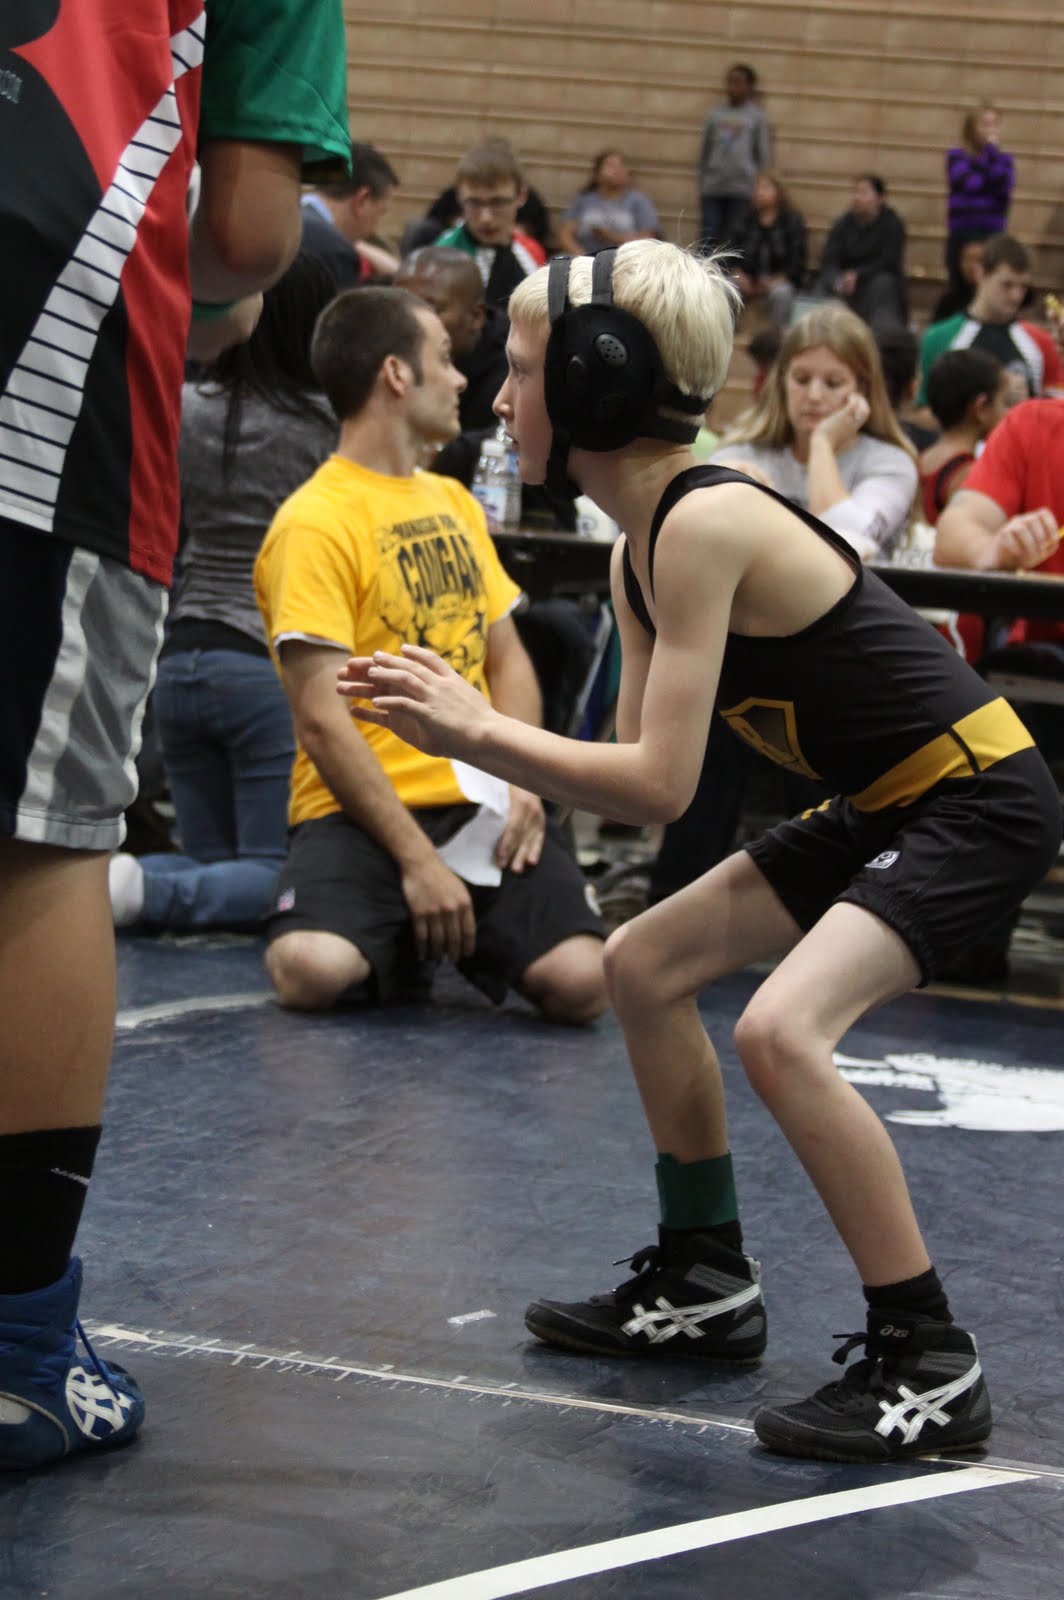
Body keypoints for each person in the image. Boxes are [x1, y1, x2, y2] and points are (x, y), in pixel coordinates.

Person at [340, 239, 1061, 1463]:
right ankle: (704, 1277)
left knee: (780, 1033)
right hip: (894, 797)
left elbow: (660, 783)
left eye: (523, 370)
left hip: (974, 796)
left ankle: (928, 1357)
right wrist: (487, 739)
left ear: (599, 378)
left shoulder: (704, 520)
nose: (501, 399)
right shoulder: (639, 548)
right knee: (640, 962)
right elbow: (641, 790)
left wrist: (477, 729)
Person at [0, 2, 350, 1470]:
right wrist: (220, 295)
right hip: (46, 357)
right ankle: (17, 1345)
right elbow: (251, 237)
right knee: (39, 848)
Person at [254, 287, 607, 1022]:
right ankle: (409, 930)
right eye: (443, 359)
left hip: (477, 801)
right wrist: (417, 861)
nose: (460, 379)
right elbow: (320, 721)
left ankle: (420, 934)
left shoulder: (453, 503)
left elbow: (507, 661)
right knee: (310, 969)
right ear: (395, 375)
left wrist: (522, 780)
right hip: (359, 814)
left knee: (584, 981)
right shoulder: (314, 522)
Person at [108, 253, 341, 933]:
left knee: (211, 869)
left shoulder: (185, 408)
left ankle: (103, 883)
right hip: (266, 665)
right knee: (277, 877)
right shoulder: (329, 428)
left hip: (179, 662)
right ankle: (124, 890)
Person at [393, 247, 592, 730]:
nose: (506, 404)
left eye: (432, 307)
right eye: (403, 304)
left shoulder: (506, 368)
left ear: (475, 317)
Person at [713, 303, 917, 562]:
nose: (814, 396)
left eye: (833, 383)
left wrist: (822, 444)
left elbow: (846, 544)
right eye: (801, 379)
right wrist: (720, 487)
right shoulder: (741, 455)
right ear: (782, 382)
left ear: (862, 389)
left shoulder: (891, 464)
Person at [917, 234, 1063, 408]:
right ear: (980, 273)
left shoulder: (1041, 343)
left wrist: (1027, 405)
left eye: (1023, 287)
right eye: (1007, 285)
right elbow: (923, 410)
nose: (1016, 296)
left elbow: (1057, 411)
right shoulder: (939, 337)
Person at [434, 142, 546, 308]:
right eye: (474, 203)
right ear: (459, 196)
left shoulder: (532, 251)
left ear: (521, 196)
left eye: (498, 202)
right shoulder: (443, 253)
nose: (485, 218)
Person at [919, 349, 1007, 527]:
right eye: (1002, 402)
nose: (1006, 413)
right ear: (981, 408)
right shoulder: (968, 474)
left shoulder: (921, 460)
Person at [300, 142, 401, 287]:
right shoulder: (336, 250)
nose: (374, 230)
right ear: (362, 200)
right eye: (381, 213)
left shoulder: (291, 218)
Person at [816, 175, 907, 331]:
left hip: (874, 278)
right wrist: (837, 279)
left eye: (863, 193)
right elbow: (829, 259)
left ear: (879, 199)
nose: (857, 198)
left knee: (883, 283)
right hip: (845, 281)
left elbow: (889, 261)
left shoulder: (892, 223)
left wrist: (858, 274)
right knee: (822, 285)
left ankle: (881, 335)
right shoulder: (843, 223)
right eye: (855, 192)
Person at [697, 63, 771, 251]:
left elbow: (762, 155)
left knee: (734, 237)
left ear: (750, 86)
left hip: (742, 188)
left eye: (738, 82)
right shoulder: (715, 114)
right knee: (708, 234)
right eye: (730, 82)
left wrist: (759, 183)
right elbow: (704, 150)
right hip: (713, 186)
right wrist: (703, 177)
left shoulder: (757, 117)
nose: (732, 87)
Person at [945, 104, 1015, 293]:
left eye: (994, 125)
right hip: (964, 229)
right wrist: (990, 170)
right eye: (984, 124)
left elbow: (1003, 189)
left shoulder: (1005, 159)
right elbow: (971, 184)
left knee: (990, 285)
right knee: (960, 288)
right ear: (971, 127)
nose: (990, 130)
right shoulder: (957, 157)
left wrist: (992, 153)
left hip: (992, 230)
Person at [733, 171, 806, 330]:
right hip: (747, 279)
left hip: (779, 280)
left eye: (765, 188)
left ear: (778, 192)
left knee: (782, 294)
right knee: (726, 288)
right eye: (757, 188)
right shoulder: (745, 219)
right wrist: (739, 274)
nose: (759, 192)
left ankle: (776, 337)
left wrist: (775, 281)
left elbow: (797, 262)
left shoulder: (791, 221)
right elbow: (731, 254)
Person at [557, 150, 660, 257]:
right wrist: (582, 257)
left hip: (624, 260)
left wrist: (612, 237)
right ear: (597, 174)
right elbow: (566, 235)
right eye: (611, 165)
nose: (618, 170)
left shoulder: (639, 201)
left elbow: (647, 240)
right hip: (585, 259)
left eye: (621, 165)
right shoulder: (584, 200)